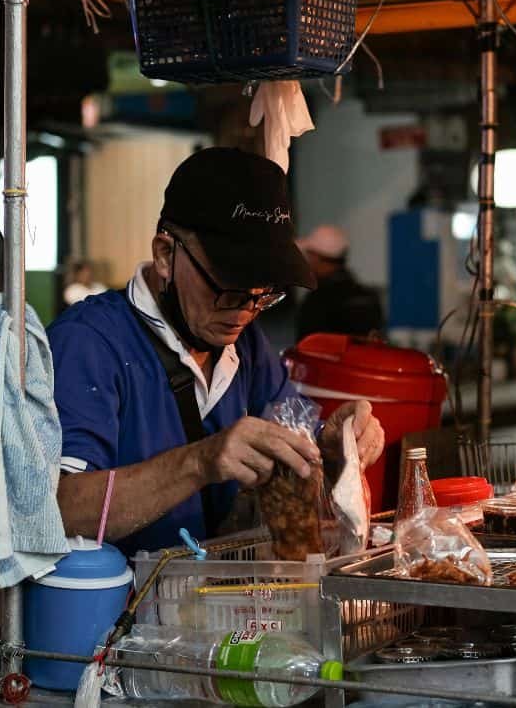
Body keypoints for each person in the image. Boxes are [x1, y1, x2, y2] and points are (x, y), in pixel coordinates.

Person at [47, 148, 386, 555]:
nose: (245, 310)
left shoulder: (245, 344)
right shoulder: (88, 342)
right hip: (114, 611)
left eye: (263, 295)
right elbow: (60, 508)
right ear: (165, 255)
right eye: (228, 287)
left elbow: (295, 450)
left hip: (215, 606)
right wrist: (201, 461)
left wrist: (331, 446)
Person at [294, 225, 384, 341]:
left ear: (316, 257)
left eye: (309, 255)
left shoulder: (316, 301)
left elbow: (305, 351)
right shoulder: (368, 296)